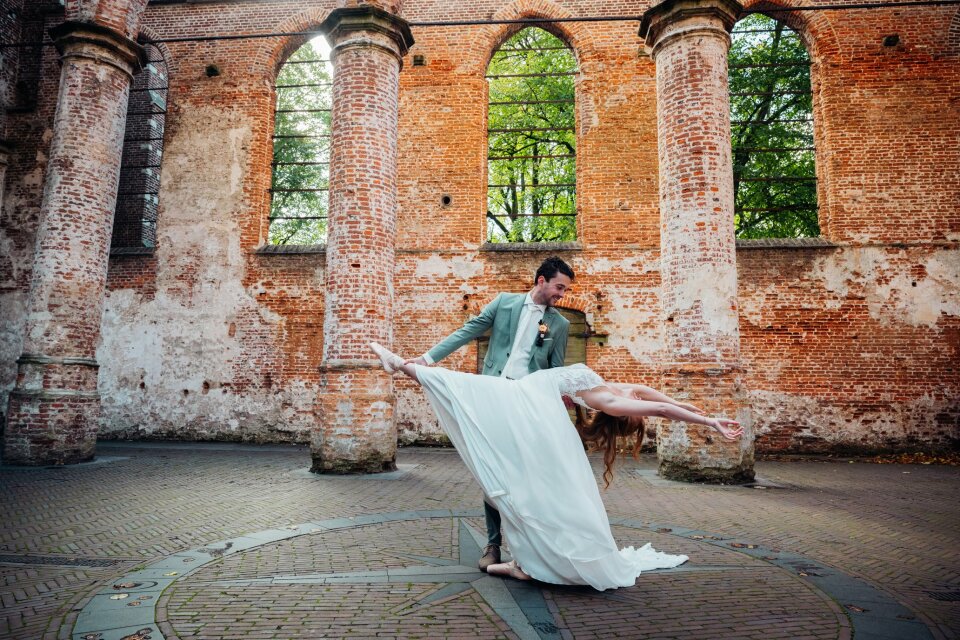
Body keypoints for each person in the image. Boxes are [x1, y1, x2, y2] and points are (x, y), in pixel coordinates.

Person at [370, 342, 743, 591]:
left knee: (470, 393)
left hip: (530, 404)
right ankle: (522, 562)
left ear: (622, 413)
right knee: (473, 394)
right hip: (529, 397)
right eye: (635, 396)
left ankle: (402, 366)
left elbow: (657, 408)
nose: (636, 393)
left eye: (634, 402)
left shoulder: (611, 400)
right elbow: (652, 394)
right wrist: (694, 408)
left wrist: (709, 423)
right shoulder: (612, 387)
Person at [405, 257, 574, 571]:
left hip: (528, 403)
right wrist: (427, 359)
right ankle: (493, 544)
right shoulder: (504, 304)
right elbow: (467, 331)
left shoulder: (559, 324)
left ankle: (528, 544)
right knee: (491, 471)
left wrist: (563, 396)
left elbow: (556, 370)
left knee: (525, 474)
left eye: (564, 289)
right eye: (559, 287)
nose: (561, 294)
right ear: (541, 281)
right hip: (492, 397)